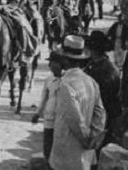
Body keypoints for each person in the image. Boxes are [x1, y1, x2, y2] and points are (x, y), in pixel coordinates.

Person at [49, 35, 106, 170]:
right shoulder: (91, 81)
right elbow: (100, 113)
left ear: (65, 60)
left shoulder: (66, 84)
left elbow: (74, 117)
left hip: (67, 151)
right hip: (85, 153)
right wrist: (94, 135)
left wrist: (85, 139)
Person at [84, 31, 122, 146]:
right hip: (111, 115)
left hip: (101, 118)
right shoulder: (110, 66)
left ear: (92, 49)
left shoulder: (97, 71)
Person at [32, 48, 63, 163]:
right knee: (48, 149)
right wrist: (37, 113)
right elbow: (43, 99)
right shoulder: (49, 80)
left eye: (52, 63)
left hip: (62, 121)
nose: (49, 66)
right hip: (49, 119)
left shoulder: (67, 80)